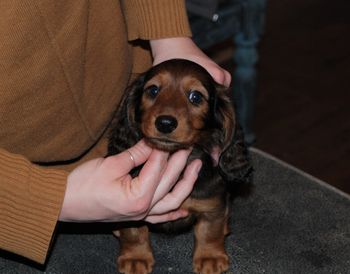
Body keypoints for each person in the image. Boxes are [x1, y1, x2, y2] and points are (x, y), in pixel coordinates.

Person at [0, 0, 231, 265]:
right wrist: (49, 199)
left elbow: (216, 209)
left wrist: (167, 35)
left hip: (119, 81)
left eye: (194, 97)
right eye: (154, 92)